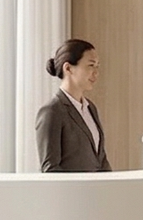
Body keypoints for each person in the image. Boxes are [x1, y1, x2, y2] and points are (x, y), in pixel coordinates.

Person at [35, 39, 109, 173]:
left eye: (97, 66)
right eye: (91, 65)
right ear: (68, 68)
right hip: (72, 187)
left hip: (97, 186)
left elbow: (101, 161)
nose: (96, 72)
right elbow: (50, 169)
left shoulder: (91, 108)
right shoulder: (52, 111)